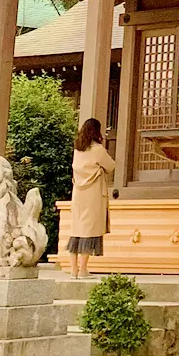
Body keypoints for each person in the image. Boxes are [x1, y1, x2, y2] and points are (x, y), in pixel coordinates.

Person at [67, 117, 115, 278]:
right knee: (89, 229)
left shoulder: (77, 150)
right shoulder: (98, 150)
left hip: (78, 193)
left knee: (76, 229)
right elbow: (111, 165)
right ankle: (83, 269)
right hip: (93, 194)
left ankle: (73, 268)